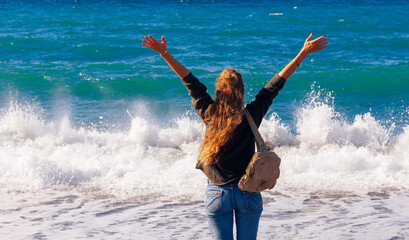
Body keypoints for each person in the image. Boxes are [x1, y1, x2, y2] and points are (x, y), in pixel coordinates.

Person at [142, 34, 328, 240]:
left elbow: (189, 81)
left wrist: (164, 53)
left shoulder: (209, 111)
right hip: (247, 191)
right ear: (241, 91)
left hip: (217, 194)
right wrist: (302, 53)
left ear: (219, 90)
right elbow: (275, 85)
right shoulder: (252, 113)